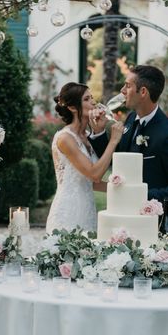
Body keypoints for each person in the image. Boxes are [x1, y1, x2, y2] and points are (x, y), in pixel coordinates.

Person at [89, 65, 168, 230]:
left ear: (143, 92)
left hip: (157, 227)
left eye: (128, 86)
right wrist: (99, 132)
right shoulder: (131, 119)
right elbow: (118, 162)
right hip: (127, 220)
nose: (122, 90)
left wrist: (140, 195)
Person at [45, 82, 123, 233]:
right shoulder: (65, 139)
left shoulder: (87, 136)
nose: (93, 102)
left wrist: (123, 190)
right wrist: (113, 141)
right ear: (73, 107)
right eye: (87, 99)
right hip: (68, 212)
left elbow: (91, 183)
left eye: (92, 98)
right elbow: (94, 174)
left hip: (87, 210)